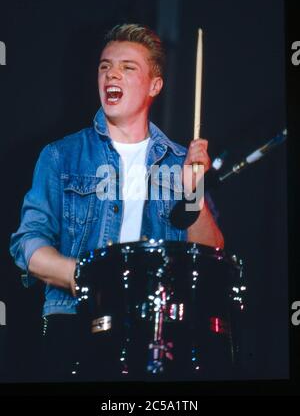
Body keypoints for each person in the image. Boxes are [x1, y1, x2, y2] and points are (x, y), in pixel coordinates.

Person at [9, 24, 224, 381]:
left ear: (154, 86)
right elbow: (27, 243)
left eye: (128, 67)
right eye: (105, 65)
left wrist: (192, 194)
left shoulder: (177, 162)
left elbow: (211, 252)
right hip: (74, 323)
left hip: (155, 331)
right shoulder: (62, 156)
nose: (112, 73)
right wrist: (84, 276)